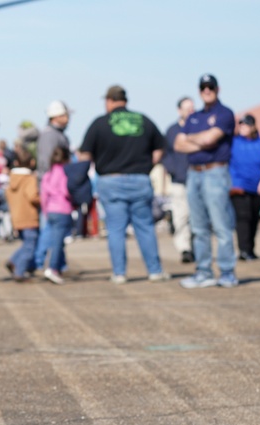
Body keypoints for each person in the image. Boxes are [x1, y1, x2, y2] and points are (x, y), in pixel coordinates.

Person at [80, 85, 168, 284]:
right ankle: (154, 271)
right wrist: (147, 165)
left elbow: (85, 154)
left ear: (109, 101)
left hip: (110, 180)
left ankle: (119, 273)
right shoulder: (143, 120)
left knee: (116, 229)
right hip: (139, 179)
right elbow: (159, 149)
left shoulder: (100, 123)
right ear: (125, 100)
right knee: (145, 227)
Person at [174, 74, 237, 288]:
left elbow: (211, 139)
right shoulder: (194, 117)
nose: (206, 90)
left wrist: (200, 138)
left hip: (215, 172)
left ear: (217, 89)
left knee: (221, 225)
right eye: (203, 87)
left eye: (210, 86)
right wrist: (202, 139)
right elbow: (179, 144)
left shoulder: (225, 113)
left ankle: (227, 271)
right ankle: (203, 271)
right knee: (198, 226)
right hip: (194, 173)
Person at [229, 114, 260, 261]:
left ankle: (250, 249)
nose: (243, 127)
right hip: (238, 186)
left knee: (254, 218)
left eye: (246, 124)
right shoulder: (234, 142)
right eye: (241, 124)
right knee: (243, 218)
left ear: (253, 126)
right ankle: (243, 250)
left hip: (257, 187)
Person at [34, 101, 72, 272]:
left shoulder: (55, 134)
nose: (68, 118)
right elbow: (47, 165)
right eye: (65, 114)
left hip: (51, 189)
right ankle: (40, 262)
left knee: (54, 230)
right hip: (53, 191)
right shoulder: (51, 135)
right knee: (50, 229)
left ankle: (58, 264)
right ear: (57, 116)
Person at [163, 97, 195, 263]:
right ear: (179, 110)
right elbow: (165, 153)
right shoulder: (172, 130)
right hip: (178, 180)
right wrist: (173, 169)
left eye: (192, 107)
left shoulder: (198, 127)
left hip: (197, 179)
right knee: (181, 216)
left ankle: (196, 246)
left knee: (197, 216)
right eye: (187, 107)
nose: (190, 110)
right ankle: (184, 248)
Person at [4, 147, 40, 282]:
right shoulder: (29, 179)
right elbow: (32, 196)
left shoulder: (12, 179)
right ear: (31, 163)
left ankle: (13, 261)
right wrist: (42, 200)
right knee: (31, 244)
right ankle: (20, 271)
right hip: (29, 216)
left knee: (26, 243)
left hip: (16, 216)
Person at [40, 146, 74, 284]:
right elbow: (66, 191)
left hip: (51, 210)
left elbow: (43, 195)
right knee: (58, 243)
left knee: (54, 241)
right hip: (63, 210)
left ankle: (58, 266)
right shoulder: (65, 173)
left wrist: (46, 211)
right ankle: (53, 268)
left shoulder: (48, 174)